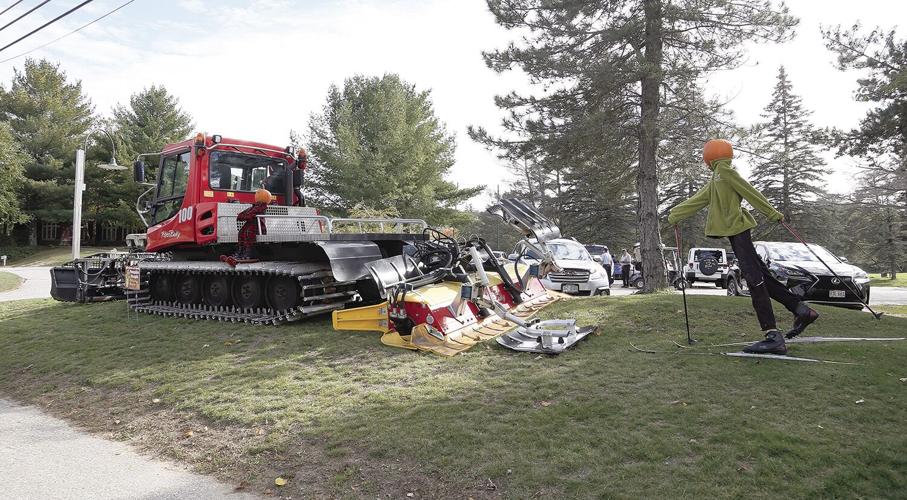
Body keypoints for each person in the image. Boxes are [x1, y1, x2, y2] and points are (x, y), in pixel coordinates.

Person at [667, 139, 819, 354]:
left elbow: (750, 192)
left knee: (755, 280)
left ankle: (773, 336)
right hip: (736, 232)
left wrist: (773, 214)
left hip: (739, 230)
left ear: (709, 157)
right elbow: (699, 199)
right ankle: (800, 309)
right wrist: (676, 214)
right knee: (763, 277)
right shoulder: (718, 177)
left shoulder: (726, 173)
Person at [223, 188, 273, 265]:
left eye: (258, 195)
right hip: (250, 223)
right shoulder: (254, 206)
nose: (257, 197)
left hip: (256, 225)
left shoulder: (262, 206)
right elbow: (246, 213)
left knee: (248, 234)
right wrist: (243, 215)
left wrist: (245, 216)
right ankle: (240, 251)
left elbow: (251, 213)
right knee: (241, 232)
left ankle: (248, 253)